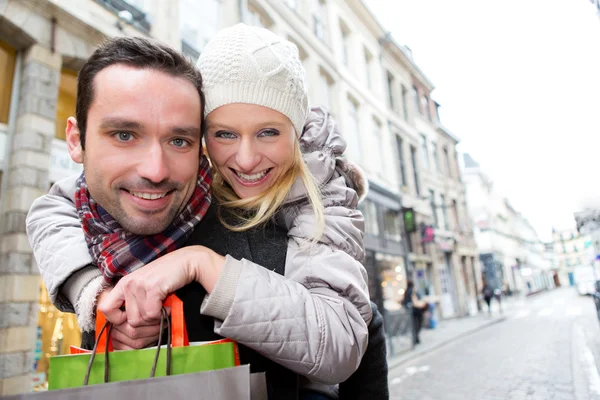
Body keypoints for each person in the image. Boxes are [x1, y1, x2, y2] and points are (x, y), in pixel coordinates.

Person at [26, 28, 375, 398]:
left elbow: (347, 341)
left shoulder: (319, 203)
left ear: (297, 131)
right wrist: (94, 292)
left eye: (268, 132)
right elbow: (52, 206)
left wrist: (202, 265)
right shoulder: (134, 201)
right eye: (224, 134)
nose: (245, 158)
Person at [402, 280, 428, 345]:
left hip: (411, 311)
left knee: (415, 325)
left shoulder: (406, 291)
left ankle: (416, 338)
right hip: (416, 310)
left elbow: (404, 301)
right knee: (418, 324)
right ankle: (416, 338)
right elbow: (416, 301)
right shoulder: (412, 291)